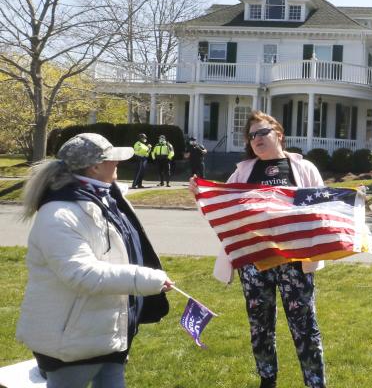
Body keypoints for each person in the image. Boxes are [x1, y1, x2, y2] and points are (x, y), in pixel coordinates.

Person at [16, 132, 172, 388]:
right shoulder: (59, 213)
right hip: (72, 341)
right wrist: (148, 279)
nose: (118, 163)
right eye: (112, 159)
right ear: (96, 167)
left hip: (108, 334)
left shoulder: (107, 199)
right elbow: (82, 275)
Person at [190, 111, 326, 388]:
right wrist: (200, 196)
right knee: (260, 325)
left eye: (262, 132)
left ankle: (315, 381)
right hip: (254, 262)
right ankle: (267, 379)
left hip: (295, 261)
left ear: (279, 134)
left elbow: (323, 208)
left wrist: (350, 201)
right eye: (252, 136)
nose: (256, 139)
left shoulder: (304, 168)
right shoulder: (243, 171)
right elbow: (222, 210)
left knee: (305, 325)